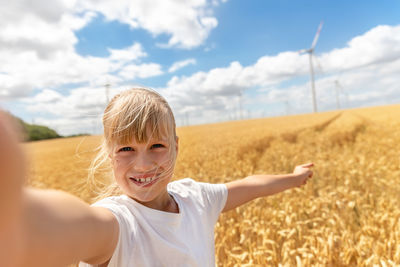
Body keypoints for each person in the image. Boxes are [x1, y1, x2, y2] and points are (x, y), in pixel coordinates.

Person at [0, 88, 313, 267]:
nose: (143, 163)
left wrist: (294, 177)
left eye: (157, 146)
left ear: (176, 146)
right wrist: (12, 214)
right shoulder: (117, 224)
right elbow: (65, 227)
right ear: (110, 156)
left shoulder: (195, 198)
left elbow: (248, 186)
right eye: (126, 149)